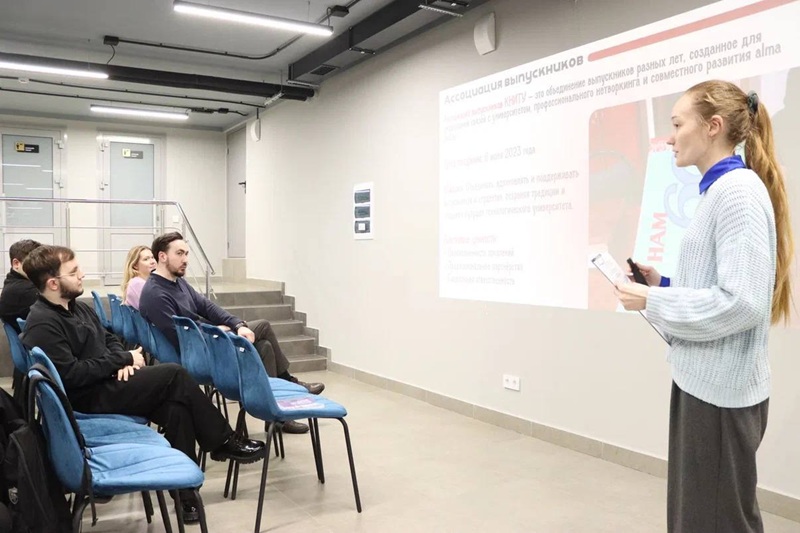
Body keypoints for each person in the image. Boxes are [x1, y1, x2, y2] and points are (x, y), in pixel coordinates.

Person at [615, 81, 792, 533]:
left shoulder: (737, 193)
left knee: (717, 521)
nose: (670, 137)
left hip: (720, 396)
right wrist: (663, 284)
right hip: (705, 386)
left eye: (678, 124)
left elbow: (743, 304)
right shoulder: (721, 192)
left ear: (713, 127)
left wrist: (653, 299)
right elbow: (720, 288)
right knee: (699, 517)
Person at [20, 245, 266, 522]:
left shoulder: (76, 307)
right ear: (53, 283)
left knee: (177, 409)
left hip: (108, 382)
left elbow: (108, 337)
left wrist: (120, 361)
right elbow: (72, 374)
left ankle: (185, 496)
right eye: (74, 272)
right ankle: (222, 440)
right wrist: (122, 359)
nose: (82, 275)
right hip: (89, 399)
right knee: (174, 374)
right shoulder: (43, 323)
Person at [139, 232, 324, 435]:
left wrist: (237, 324)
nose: (185, 260)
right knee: (262, 326)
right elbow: (180, 337)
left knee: (264, 347)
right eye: (180, 253)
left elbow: (207, 306)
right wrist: (217, 331)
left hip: (206, 343)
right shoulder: (155, 293)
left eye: (187, 254)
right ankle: (286, 389)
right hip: (197, 354)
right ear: (162, 256)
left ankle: (276, 416)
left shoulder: (178, 282)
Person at [0, 239, 42, 333]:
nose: (41, 267)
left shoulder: (12, 283)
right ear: (16, 264)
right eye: (35, 263)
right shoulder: (25, 290)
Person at [120, 245, 156, 309]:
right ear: (135, 265)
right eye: (146, 259)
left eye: (152, 257)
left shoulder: (145, 282)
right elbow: (154, 309)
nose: (152, 262)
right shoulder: (137, 283)